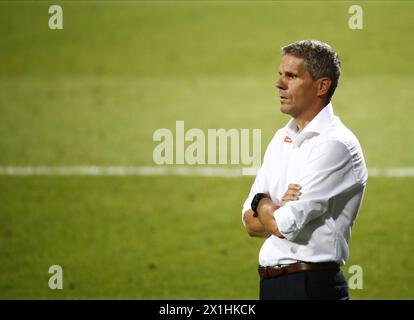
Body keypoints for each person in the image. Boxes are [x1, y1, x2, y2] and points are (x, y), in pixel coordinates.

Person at [242, 40, 368, 300]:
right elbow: (249, 222)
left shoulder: (335, 144)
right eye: (280, 75)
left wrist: (264, 204)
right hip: (272, 287)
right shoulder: (281, 137)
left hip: (310, 287)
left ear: (322, 86)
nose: (279, 84)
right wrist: (273, 210)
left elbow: (282, 225)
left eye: (291, 76)